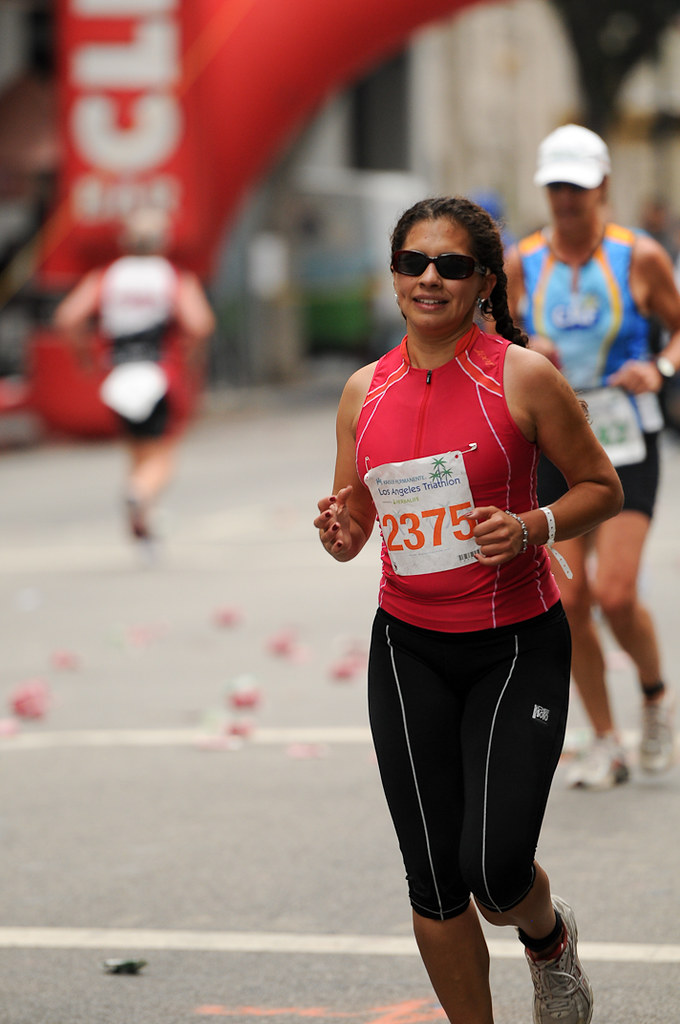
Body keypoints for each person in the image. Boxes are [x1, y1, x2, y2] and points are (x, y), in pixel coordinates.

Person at [314, 196, 623, 1024]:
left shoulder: (520, 375)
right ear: (393, 275)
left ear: (484, 281)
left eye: (451, 265)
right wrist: (342, 531)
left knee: (493, 872)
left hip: (515, 644)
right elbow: (356, 522)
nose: (429, 278)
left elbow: (604, 486)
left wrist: (532, 527)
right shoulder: (361, 392)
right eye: (414, 262)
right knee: (434, 877)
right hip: (407, 647)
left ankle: (549, 940)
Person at [505, 124, 680, 789]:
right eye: (555, 187)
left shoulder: (640, 257)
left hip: (627, 438)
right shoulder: (523, 262)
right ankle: (605, 738)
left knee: (616, 591)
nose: (566, 200)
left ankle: (656, 696)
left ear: (602, 185)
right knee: (569, 599)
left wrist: (659, 366)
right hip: (554, 440)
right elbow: (500, 338)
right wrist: (528, 349)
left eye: (577, 186)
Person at [53, 208, 216, 556]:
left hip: (117, 373)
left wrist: (83, 356)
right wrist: (191, 357)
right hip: (158, 371)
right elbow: (200, 324)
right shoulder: (172, 277)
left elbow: (68, 317)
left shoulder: (106, 276)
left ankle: (144, 522)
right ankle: (139, 496)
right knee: (163, 455)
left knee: (138, 449)